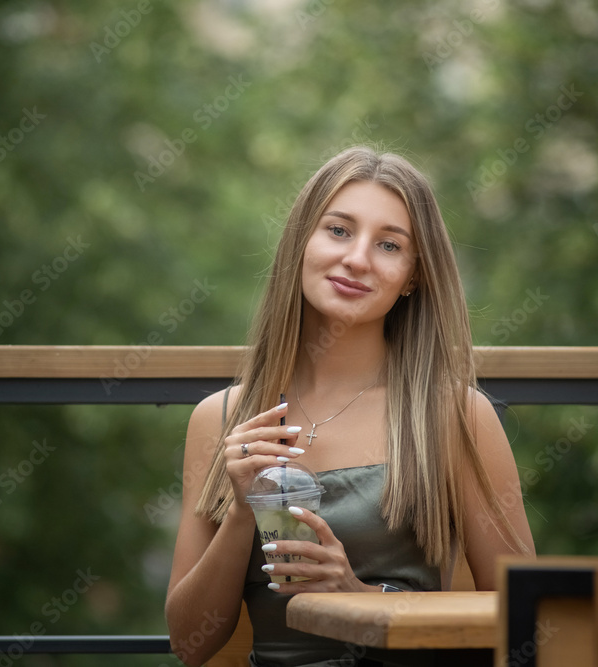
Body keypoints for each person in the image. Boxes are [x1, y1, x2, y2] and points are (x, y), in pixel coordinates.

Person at [165, 146, 535, 667]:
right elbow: (189, 644)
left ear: (413, 277)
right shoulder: (221, 419)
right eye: (338, 230)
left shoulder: (456, 416)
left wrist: (357, 597)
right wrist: (245, 513)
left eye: (388, 245)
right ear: (301, 242)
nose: (357, 258)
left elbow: (527, 622)